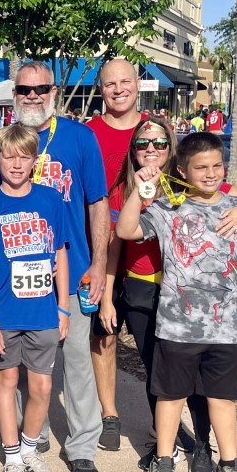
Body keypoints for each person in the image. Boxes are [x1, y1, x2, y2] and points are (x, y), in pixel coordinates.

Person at [99, 118, 237, 472]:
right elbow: (121, 235)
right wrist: (109, 292)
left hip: (202, 306)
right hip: (150, 292)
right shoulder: (134, 187)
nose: (151, 149)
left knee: (209, 387)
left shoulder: (192, 179)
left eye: (159, 143)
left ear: (171, 151)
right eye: (143, 143)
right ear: (134, 149)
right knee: (164, 379)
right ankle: (165, 449)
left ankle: (203, 447)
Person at [14, 61, 108, 472]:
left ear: (54, 91)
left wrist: (101, 264)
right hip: (20, 275)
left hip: (72, 270)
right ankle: (37, 435)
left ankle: (84, 447)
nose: (32, 95)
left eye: (41, 88)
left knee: (76, 363)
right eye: (24, 89)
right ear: (15, 93)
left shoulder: (79, 137)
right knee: (28, 362)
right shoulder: (4, 141)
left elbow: (98, 203)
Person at [0, 123, 69, 472]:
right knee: (6, 382)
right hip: (4, 313)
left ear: (35, 160)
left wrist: (63, 307)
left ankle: (30, 451)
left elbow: (60, 254)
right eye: (9, 157)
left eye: (24, 157)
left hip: (44, 312)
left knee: (42, 386)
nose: (17, 164)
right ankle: (12, 460)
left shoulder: (50, 200)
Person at [86, 59, 146, 451]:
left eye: (125, 81)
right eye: (111, 83)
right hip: (98, 256)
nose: (118, 89)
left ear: (138, 85)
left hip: (146, 258)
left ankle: (166, 418)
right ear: (101, 89)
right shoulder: (87, 133)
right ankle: (109, 413)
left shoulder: (154, 132)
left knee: (156, 345)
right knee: (104, 337)